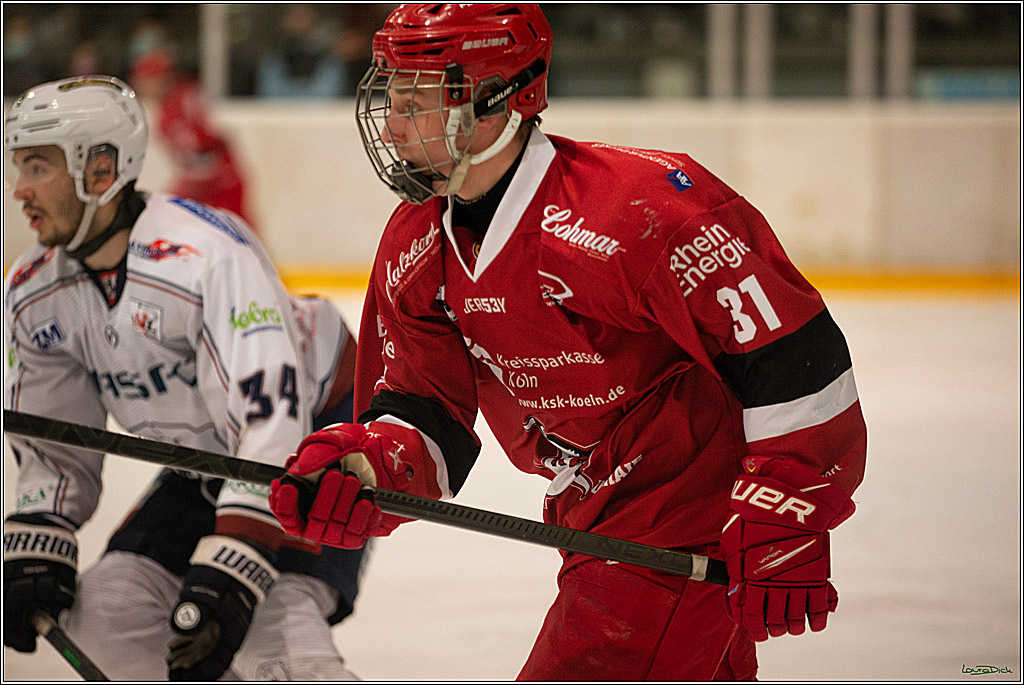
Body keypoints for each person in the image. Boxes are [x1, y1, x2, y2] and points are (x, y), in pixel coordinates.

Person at [267, 4, 868, 681]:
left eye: (415, 100)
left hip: (679, 518)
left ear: (494, 104)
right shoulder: (416, 241)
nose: (393, 124)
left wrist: (788, 503)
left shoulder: (638, 208)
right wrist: (365, 469)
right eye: (390, 97)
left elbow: (792, 356)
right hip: (593, 514)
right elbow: (424, 408)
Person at [2, 75, 364, 681]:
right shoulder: (37, 295)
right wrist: (42, 526)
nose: (20, 191)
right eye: (18, 167)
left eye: (38, 167)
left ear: (99, 170)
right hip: (205, 458)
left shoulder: (208, 257)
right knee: (108, 622)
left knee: (271, 630)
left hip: (315, 437)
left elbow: (270, 413)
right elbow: (56, 437)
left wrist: (238, 554)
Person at [130, 49, 258, 231]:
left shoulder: (175, 111)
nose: (142, 86)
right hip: (223, 178)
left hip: (220, 184)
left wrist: (179, 193)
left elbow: (202, 156)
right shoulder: (183, 96)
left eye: (146, 80)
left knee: (237, 235)